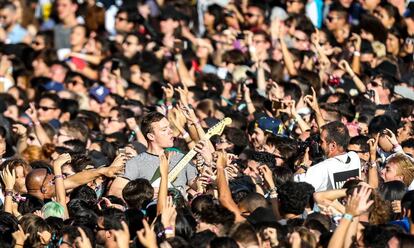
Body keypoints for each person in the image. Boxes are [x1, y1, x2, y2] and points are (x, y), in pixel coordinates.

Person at [109, 112, 197, 197]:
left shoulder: (182, 158)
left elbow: (200, 187)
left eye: (169, 127)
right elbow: (115, 191)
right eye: (164, 129)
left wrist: (207, 164)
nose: (170, 131)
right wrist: (147, 193)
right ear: (151, 136)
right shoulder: (136, 163)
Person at [295, 121, 361, 191]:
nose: (319, 144)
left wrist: (303, 166)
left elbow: (293, 186)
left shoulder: (321, 169)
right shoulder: (354, 158)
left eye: (321, 141)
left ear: (333, 146)